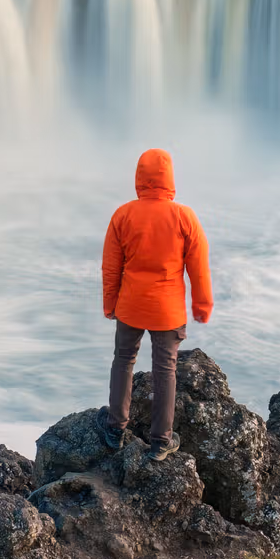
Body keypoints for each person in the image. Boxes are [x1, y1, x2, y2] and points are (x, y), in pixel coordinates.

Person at [101, 147, 213, 446]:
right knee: (166, 370)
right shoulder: (184, 217)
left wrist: (110, 304)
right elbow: (198, 267)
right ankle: (162, 440)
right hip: (168, 310)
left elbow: (111, 267)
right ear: (169, 179)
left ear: (139, 178)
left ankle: (115, 429)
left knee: (123, 361)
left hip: (131, 305)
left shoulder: (123, 215)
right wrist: (202, 306)